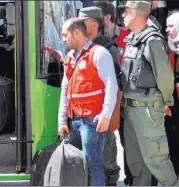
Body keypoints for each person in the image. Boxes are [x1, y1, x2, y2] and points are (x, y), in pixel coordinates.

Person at [118, 1, 178, 186]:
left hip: (147, 111)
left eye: (125, 12)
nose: (122, 16)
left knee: (157, 161)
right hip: (130, 110)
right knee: (136, 164)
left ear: (135, 13)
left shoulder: (152, 40)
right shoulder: (132, 39)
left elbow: (164, 75)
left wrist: (166, 102)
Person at [58, 17, 118, 186]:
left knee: (93, 165)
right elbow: (65, 90)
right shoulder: (70, 57)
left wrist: (106, 115)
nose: (63, 39)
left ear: (76, 33)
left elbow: (111, 84)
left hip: (92, 120)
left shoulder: (99, 53)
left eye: (65, 35)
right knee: (76, 165)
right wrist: (62, 121)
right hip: (74, 120)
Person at [78, 6, 121, 186]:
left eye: (83, 21)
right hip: (83, 115)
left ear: (95, 25)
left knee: (105, 161)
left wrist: (109, 114)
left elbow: (114, 84)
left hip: (101, 115)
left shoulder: (107, 48)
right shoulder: (79, 46)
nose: (78, 24)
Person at [93, 1, 134, 185]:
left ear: (106, 17)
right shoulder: (92, 41)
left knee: (129, 143)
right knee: (106, 144)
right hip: (105, 101)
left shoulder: (127, 35)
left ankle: (131, 178)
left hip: (125, 99)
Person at [165, 12, 179, 177]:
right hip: (172, 98)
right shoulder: (166, 46)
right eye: (167, 25)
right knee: (172, 135)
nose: (167, 29)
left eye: (171, 25)